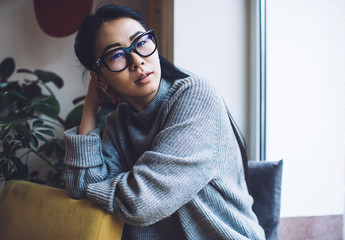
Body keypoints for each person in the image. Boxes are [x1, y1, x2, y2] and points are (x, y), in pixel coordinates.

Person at [64, 4, 265, 240]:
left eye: (141, 42)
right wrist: (90, 104)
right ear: (99, 77)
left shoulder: (196, 95)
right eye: (116, 55)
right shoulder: (118, 123)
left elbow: (141, 203)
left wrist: (99, 187)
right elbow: (79, 188)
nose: (137, 60)